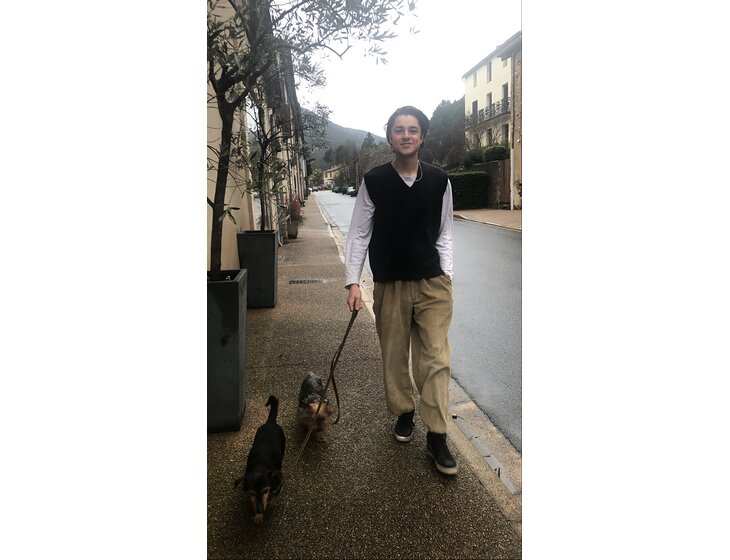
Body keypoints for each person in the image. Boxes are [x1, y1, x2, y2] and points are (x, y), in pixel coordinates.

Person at [344, 105, 457, 475]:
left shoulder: (439, 180)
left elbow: (445, 232)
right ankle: (405, 411)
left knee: (436, 358)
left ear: (421, 137)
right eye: (398, 129)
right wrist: (353, 282)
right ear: (390, 137)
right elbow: (359, 234)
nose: (406, 135)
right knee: (394, 355)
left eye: (412, 130)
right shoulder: (374, 181)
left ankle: (437, 434)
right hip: (390, 283)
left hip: (432, 283)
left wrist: (447, 275)